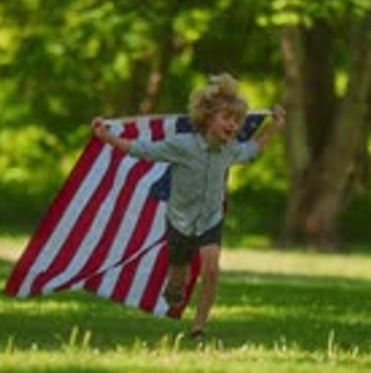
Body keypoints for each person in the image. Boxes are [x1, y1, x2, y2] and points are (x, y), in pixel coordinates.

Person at [91, 74, 285, 339]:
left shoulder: (230, 149)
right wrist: (107, 137)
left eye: (237, 120)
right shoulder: (182, 146)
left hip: (210, 220)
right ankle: (175, 285)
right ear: (208, 118)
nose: (233, 125)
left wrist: (275, 126)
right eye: (226, 118)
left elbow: (253, 149)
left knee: (212, 269)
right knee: (177, 283)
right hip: (180, 220)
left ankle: (198, 327)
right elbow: (142, 150)